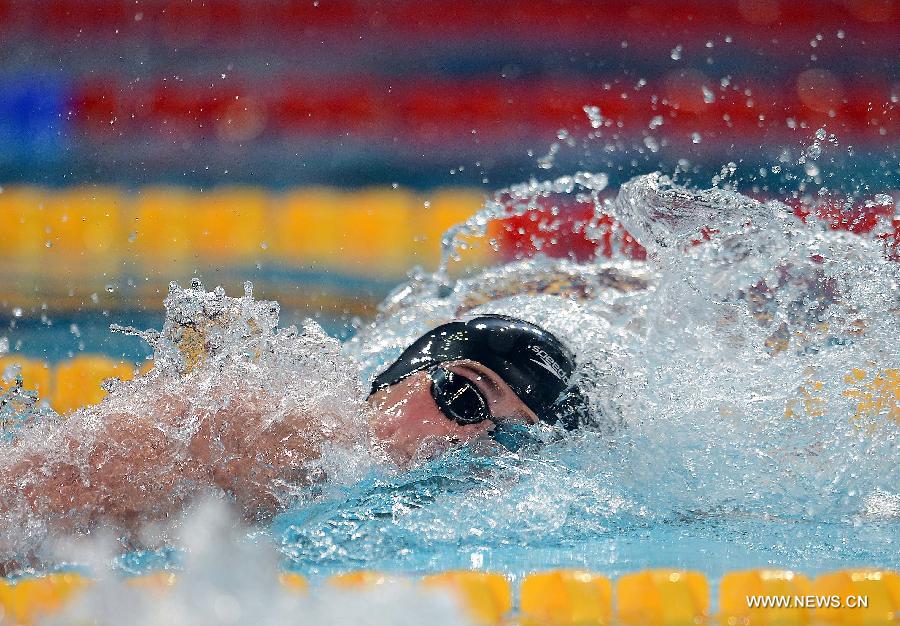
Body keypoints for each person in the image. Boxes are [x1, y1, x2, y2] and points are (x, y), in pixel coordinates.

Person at [0, 313, 588, 571]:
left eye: (511, 439)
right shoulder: (264, 424)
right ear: (405, 373)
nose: (471, 440)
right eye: (465, 398)